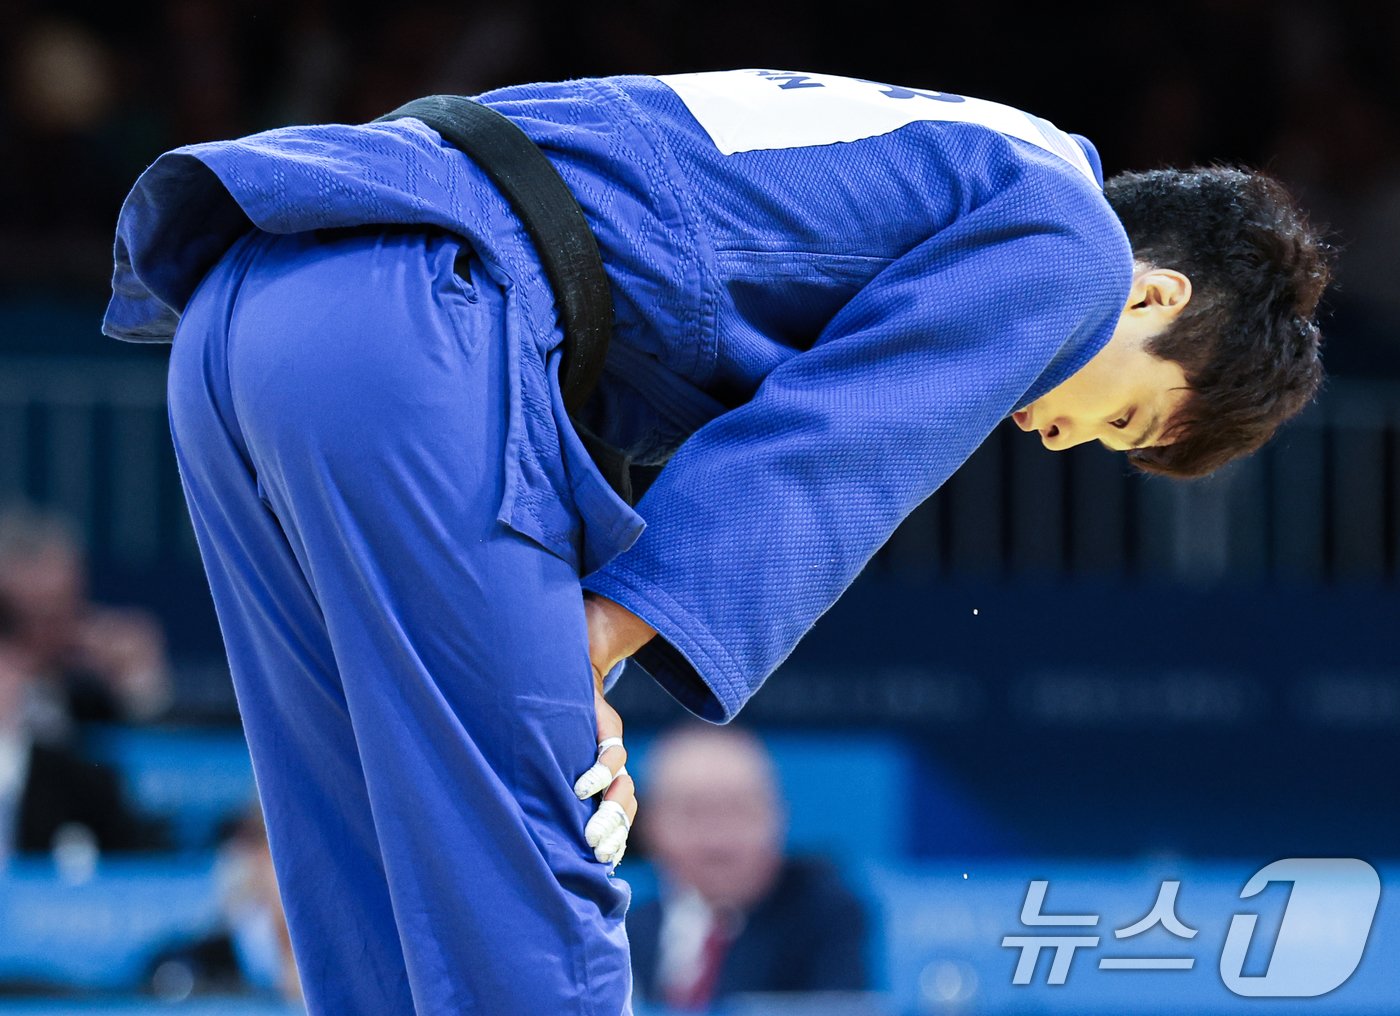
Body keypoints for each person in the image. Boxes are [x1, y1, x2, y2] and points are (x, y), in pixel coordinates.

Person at [100, 67, 1330, 1015]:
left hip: (258, 298)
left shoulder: (957, 152)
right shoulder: (1070, 243)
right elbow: (831, 449)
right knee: (538, 837)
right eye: (1119, 413)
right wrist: (580, 652)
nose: (1063, 439)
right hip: (419, 314)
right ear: (1150, 293)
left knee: (354, 822)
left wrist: (570, 651)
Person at [627, 723, 870, 1010]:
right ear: (650, 826)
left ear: (777, 817)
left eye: (739, 811)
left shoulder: (824, 914)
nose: (717, 841)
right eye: (693, 814)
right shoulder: (625, 928)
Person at [0, 502, 174, 735]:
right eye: (30, 617)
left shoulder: (100, 669)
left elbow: (157, 751)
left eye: (59, 612)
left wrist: (141, 686)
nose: (47, 633)